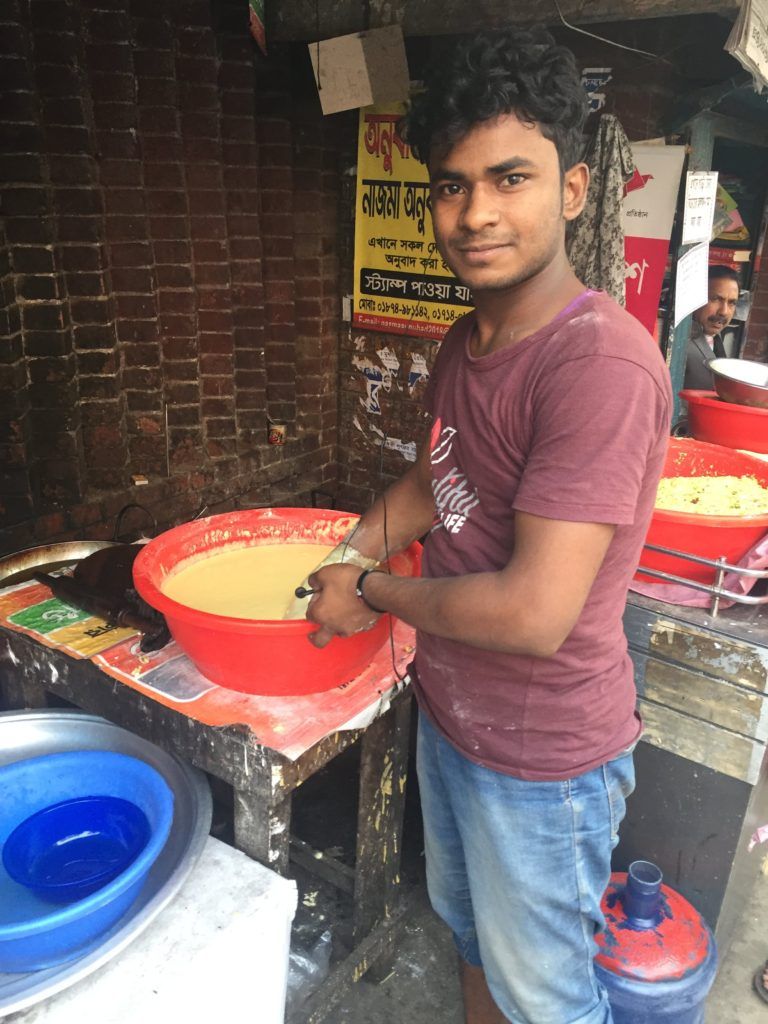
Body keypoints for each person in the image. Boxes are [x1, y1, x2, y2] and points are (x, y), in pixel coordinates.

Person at [306, 27, 672, 1024]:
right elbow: (437, 482)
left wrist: (370, 592)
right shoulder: (469, 342)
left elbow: (533, 613)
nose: (475, 214)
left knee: (549, 999)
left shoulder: (597, 363)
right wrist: (344, 552)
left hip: (546, 761)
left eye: (510, 178)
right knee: (470, 943)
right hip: (459, 725)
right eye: (451, 186)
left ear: (574, 190)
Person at [683, 265, 740, 390]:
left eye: (732, 303)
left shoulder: (716, 339)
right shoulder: (679, 342)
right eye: (715, 299)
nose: (724, 311)